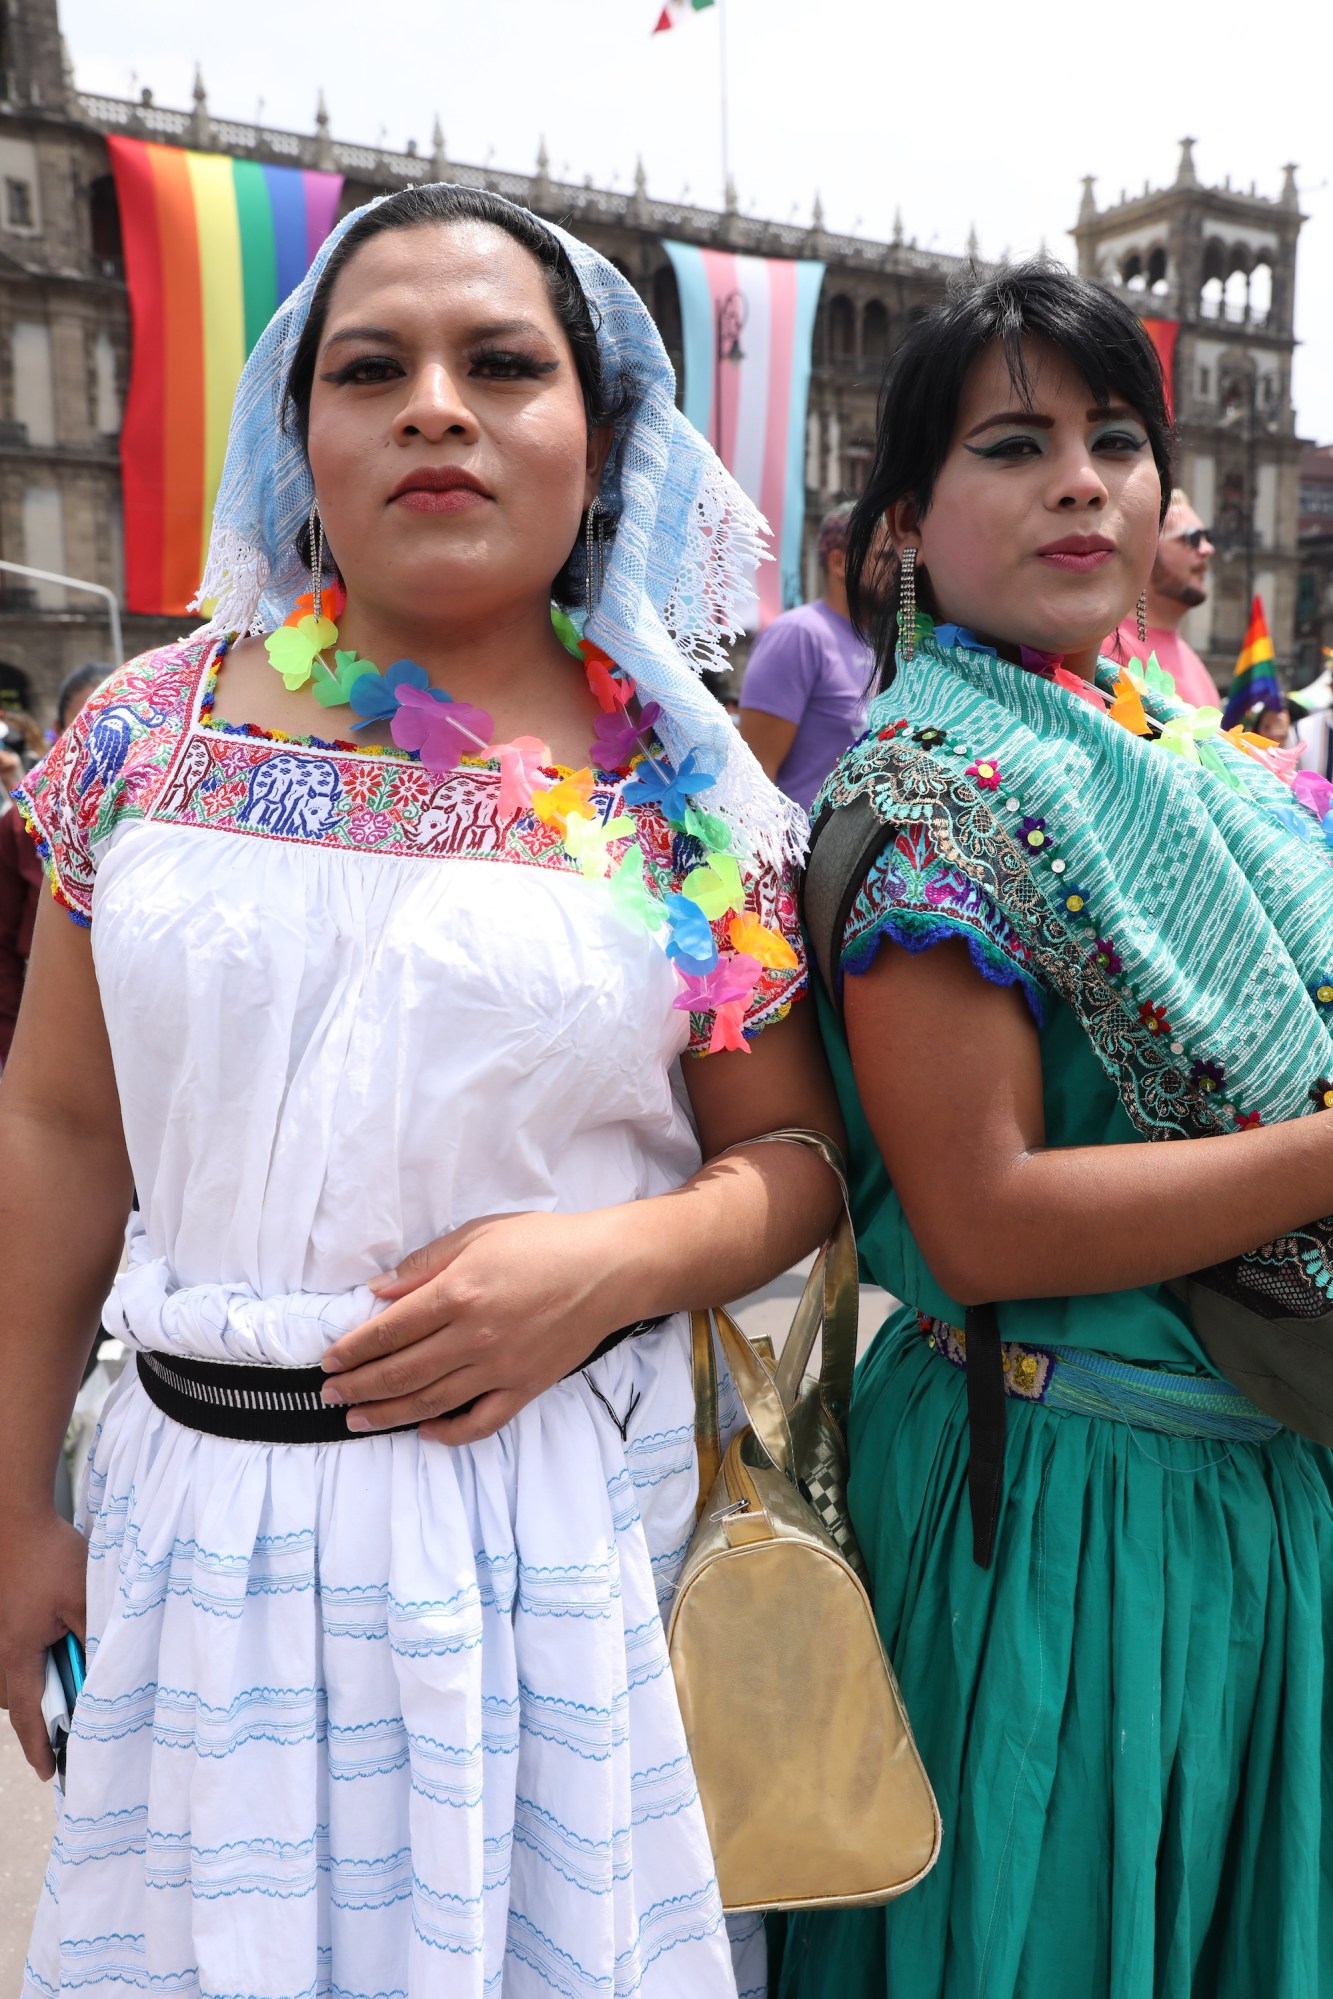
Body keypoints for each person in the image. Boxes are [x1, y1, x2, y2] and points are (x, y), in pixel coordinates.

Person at [0, 183, 843, 1999]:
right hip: (187, 1544)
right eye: (369, 366)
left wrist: (604, 1265)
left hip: (534, 1548)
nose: (435, 406)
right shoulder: (146, 733)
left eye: (501, 364)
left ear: (597, 435)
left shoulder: (684, 799)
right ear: (296, 430)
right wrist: (10, 1503)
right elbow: (60, 1128)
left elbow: (788, 1159)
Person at [779, 263, 1333, 1999]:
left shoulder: (1178, 762)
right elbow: (985, 1220)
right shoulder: (932, 794)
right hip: (1060, 1510)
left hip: (1249, 1486)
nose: (1080, 480)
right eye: (1012, 445)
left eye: (1113, 439)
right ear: (899, 536)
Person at [0, 667, 106, 1063]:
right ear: (60, 732)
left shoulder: (173, 829)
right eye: (89, 728)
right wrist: (13, 1053)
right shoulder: (21, 827)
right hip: (52, 1048)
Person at [738, 504, 873, 810]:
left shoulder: (884, 643)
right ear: (840, 563)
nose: (899, 569)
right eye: (883, 558)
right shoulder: (799, 634)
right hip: (806, 850)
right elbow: (755, 772)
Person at [1111, 487, 1219, 706]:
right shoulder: (1110, 647)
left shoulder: (1192, 662)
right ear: (1145, 548)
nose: (1208, 549)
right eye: (1192, 538)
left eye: (1207, 537)